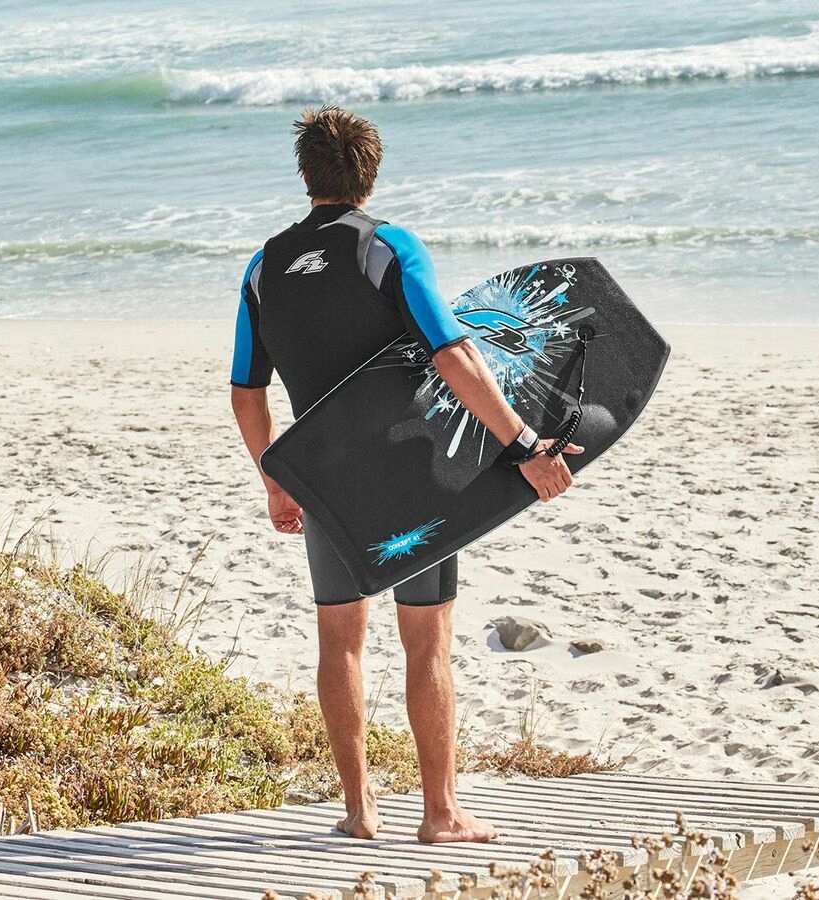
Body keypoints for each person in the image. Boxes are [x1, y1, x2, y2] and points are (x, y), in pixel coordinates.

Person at [229, 106, 582, 844]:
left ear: (305, 175)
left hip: (325, 481)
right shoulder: (388, 247)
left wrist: (276, 480)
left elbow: (246, 391)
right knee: (426, 640)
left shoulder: (263, 268)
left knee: (340, 640)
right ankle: (440, 813)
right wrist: (523, 443)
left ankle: (359, 810)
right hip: (413, 476)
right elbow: (453, 354)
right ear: (371, 174)